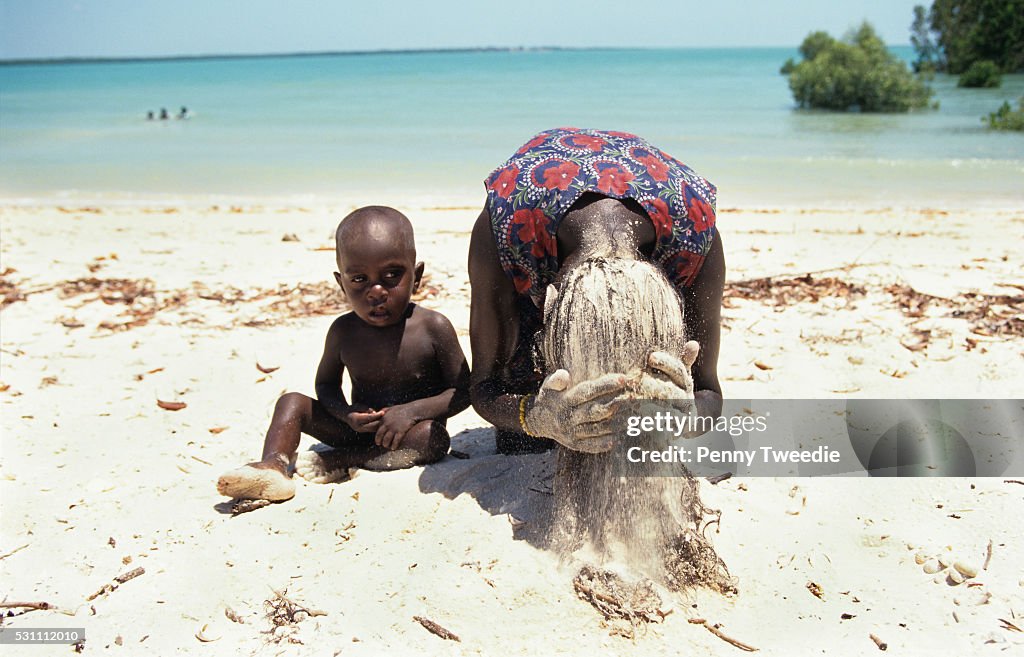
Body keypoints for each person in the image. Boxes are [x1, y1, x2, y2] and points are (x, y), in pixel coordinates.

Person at [468, 128, 725, 454]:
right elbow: (485, 387)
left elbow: (709, 391)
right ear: (549, 299)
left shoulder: (694, 233)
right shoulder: (504, 228)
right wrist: (536, 417)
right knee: (520, 442)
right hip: (536, 231)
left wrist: (686, 412)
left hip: (664, 227)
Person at [218, 206, 471, 501]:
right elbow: (326, 385)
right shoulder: (343, 331)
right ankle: (273, 466)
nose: (376, 291)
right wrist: (346, 413)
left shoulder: (432, 327)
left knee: (434, 439)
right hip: (356, 428)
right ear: (341, 284)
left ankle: (343, 459)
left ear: (416, 276)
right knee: (292, 403)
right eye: (359, 280)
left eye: (392, 275)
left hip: (409, 432)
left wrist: (410, 412)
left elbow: (464, 391)